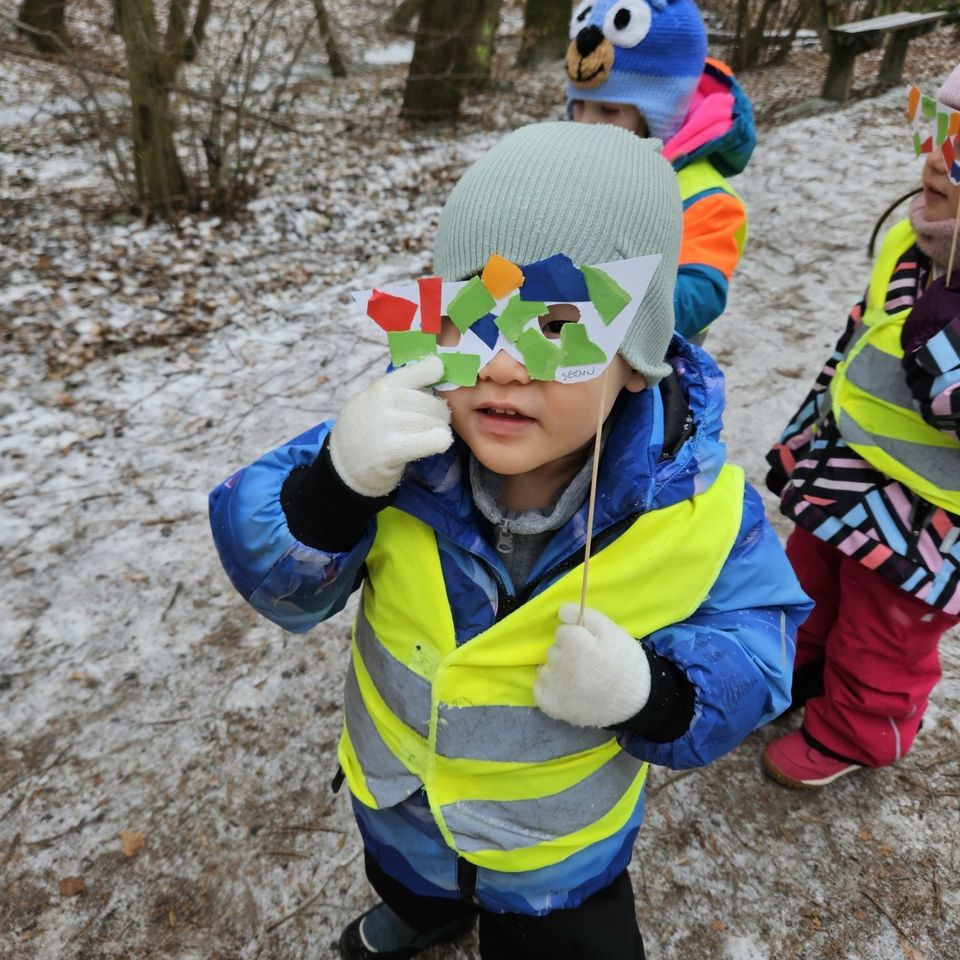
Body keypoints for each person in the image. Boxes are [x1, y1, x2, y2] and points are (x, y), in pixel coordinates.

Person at [209, 122, 809, 960]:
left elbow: (760, 646)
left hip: (556, 852)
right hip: (403, 806)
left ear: (635, 360)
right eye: (466, 319)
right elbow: (275, 576)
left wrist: (655, 692)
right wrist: (334, 489)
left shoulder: (701, 511)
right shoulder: (391, 448)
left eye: (556, 329)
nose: (499, 367)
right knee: (407, 874)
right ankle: (427, 908)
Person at [763, 67, 960, 790]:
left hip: (929, 514)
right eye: (935, 129)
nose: (936, 159)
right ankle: (792, 666)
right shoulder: (916, 241)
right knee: (806, 580)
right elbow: (860, 340)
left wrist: (945, 343)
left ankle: (858, 730)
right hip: (851, 468)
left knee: (885, 633)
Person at [565, 0, 755, 344]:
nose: (585, 123)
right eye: (577, 105)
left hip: (649, 374)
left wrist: (600, 315)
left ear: (660, 118)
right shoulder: (582, 167)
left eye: (608, 110)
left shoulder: (704, 197)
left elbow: (702, 291)